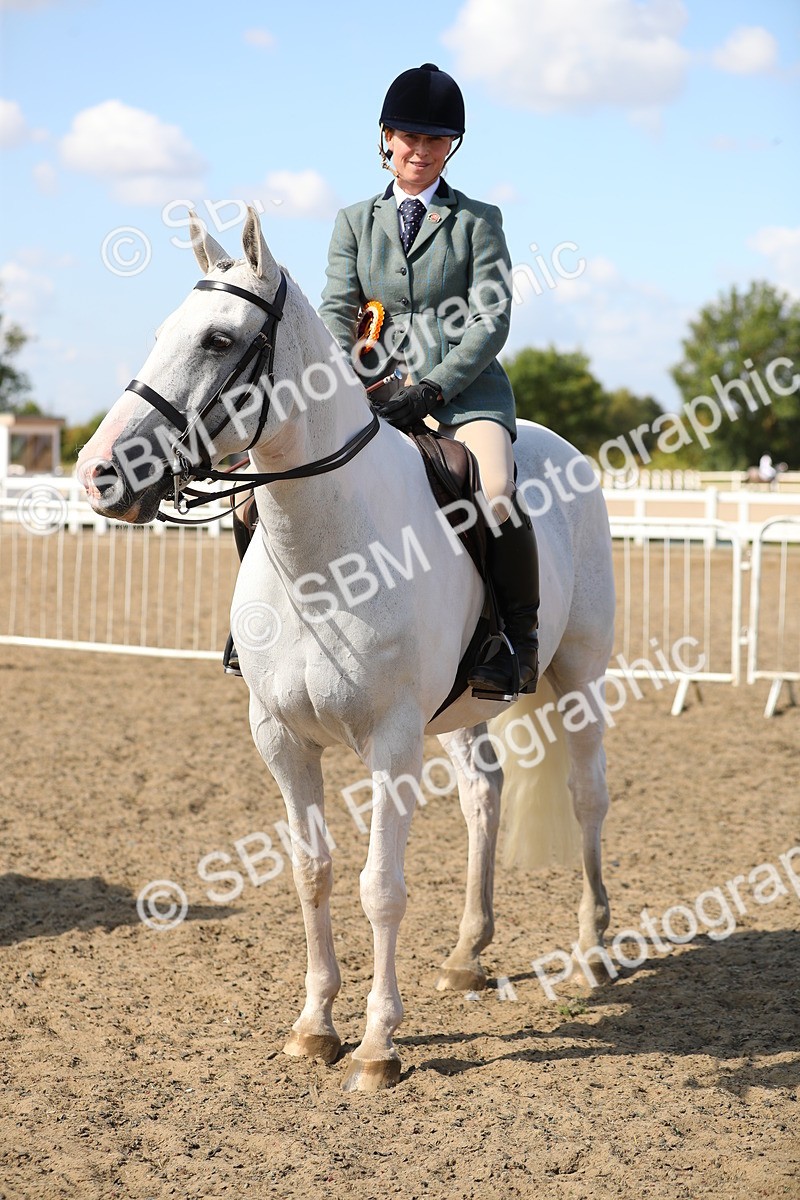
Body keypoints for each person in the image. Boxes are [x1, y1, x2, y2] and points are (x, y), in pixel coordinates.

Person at [318, 62, 539, 697]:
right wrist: (363, 382)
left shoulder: (478, 220)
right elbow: (337, 310)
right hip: (374, 394)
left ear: (452, 147)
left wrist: (434, 388)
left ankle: (512, 640)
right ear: (386, 138)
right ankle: (258, 630)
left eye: (436, 140)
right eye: (410, 138)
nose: (421, 151)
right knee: (266, 485)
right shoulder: (353, 223)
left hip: (463, 396)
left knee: (494, 488)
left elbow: (490, 319)